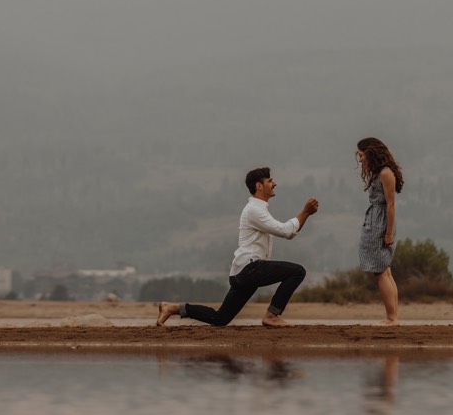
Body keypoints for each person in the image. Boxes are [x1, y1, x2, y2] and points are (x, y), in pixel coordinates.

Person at [156, 167, 318, 330]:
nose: (274, 183)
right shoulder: (254, 210)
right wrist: (305, 211)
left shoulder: (259, 209)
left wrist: (306, 214)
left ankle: (173, 308)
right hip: (250, 269)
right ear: (259, 186)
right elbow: (285, 231)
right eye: (270, 181)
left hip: (242, 272)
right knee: (298, 271)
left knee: (220, 318)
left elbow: (289, 233)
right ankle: (272, 315)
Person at [356, 137, 404, 325]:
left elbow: (391, 205)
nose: (360, 159)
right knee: (385, 270)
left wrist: (389, 232)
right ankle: (393, 316)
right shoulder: (379, 172)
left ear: (370, 152)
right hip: (375, 219)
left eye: (361, 155)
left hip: (379, 222)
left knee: (380, 271)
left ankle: (391, 317)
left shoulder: (385, 173)